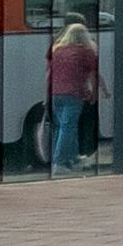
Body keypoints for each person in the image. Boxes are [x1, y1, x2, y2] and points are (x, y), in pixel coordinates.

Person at [48, 20, 99, 171]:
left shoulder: (57, 50)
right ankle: (59, 162)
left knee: (61, 127)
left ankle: (73, 157)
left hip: (56, 93)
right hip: (74, 93)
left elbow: (49, 74)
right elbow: (92, 75)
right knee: (68, 127)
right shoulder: (86, 52)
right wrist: (94, 93)